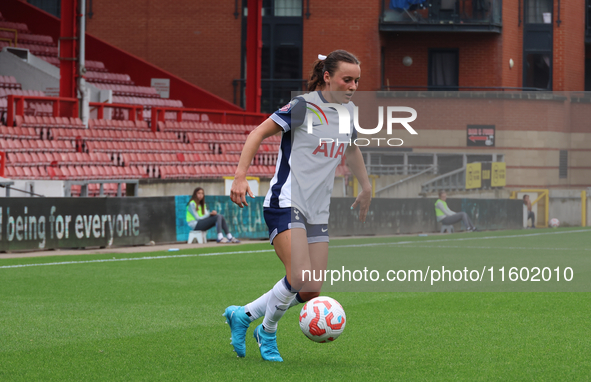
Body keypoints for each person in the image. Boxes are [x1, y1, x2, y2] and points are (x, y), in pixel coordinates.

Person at [223, 50, 372, 362]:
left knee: (310, 290)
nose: (353, 86)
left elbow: (353, 150)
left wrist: (366, 186)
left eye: (357, 80)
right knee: (299, 274)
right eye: (347, 79)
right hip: (286, 201)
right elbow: (257, 133)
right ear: (327, 77)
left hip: (317, 210)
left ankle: (243, 314)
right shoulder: (304, 106)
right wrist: (240, 176)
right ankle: (267, 332)